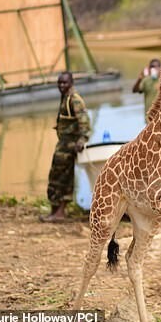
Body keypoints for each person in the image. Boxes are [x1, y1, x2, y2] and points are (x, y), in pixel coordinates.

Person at [42, 72, 90, 222]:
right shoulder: (65, 98)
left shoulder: (75, 100)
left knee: (64, 178)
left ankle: (60, 212)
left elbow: (84, 122)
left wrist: (81, 140)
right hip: (62, 144)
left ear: (71, 83)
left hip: (69, 146)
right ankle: (55, 210)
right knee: (55, 177)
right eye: (59, 83)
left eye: (64, 83)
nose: (61, 86)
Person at [132, 58, 161, 123]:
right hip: (149, 118)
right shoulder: (146, 80)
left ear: (160, 67)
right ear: (149, 68)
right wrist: (139, 79)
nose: (154, 68)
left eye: (157, 66)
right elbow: (134, 90)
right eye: (152, 66)